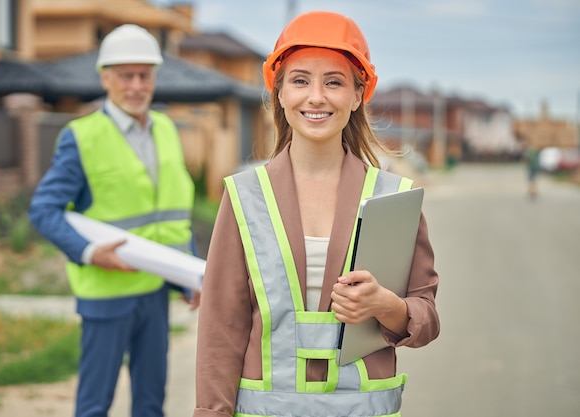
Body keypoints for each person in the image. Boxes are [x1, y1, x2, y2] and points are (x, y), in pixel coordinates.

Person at [192, 11, 440, 417]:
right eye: (300, 80)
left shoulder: (393, 198)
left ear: (358, 95)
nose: (316, 97)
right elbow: (221, 330)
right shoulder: (245, 196)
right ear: (280, 92)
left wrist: (385, 305)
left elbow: (426, 319)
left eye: (334, 82)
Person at [28, 24, 200, 417]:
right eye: (126, 75)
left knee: (151, 404)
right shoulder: (82, 136)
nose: (137, 85)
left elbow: (173, 214)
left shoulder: (168, 130)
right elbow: (43, 209)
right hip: (107, 294)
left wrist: (190, 276)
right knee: (94, 406)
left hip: (155, 291)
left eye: (145, 75)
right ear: (105, 78)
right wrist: (89, 252)